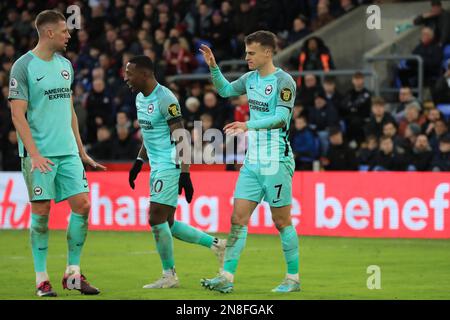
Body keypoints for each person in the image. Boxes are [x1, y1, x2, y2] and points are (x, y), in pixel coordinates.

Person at [8, 10, 106, 297]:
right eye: (64, 31)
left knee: (83, 206)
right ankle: (41, 279)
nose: (69, 35)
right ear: (49, 32)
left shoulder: (66, 65)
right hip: (40, 155)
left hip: (68, 153)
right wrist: (34, 155)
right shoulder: (22, 67)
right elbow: (17, 116)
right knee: (41, 213)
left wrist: (81, 150)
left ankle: (72, 274)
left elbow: (70, 110)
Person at [199, 30, 300, 293]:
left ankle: (292, 279)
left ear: (268, 52)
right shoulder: (250, 79)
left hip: (276, 159)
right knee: (238, 218)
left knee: (281, 221)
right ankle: (226, 277)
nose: (247, 57)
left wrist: (248, 125)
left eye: (252, 52)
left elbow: (280, 119)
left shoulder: (284, 81)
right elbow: (223, 90)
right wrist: (213, 67)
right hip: (253, 161)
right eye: (246, 52)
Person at [124, 55, 226, 289]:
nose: (126, 78)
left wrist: (185, 174)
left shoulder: (165, 98)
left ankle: (169, 275)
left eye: (130, 73)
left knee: (155, 218)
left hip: (170, 164)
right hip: (156, 165)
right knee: (167, 222)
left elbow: (181, 137)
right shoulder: (140, 98)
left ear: (145, 74)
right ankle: (217, 245)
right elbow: (150, 134)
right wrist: (139, 161)